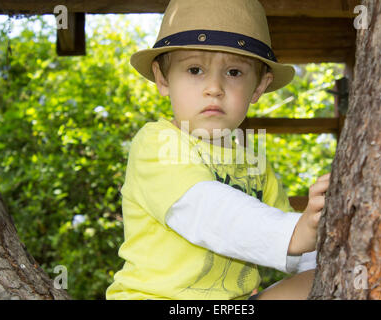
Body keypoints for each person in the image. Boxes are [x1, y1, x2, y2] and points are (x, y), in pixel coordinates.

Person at [106, 0, 330, 300]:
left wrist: (322, 233)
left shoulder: (253, 163)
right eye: (195, 69)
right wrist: (294, 232)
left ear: (258, 88)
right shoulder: (158, 143)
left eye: (234, 72)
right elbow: (207, 211)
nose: (214, 87)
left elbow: (291, 244)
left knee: (322, 279)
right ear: (163, 79)